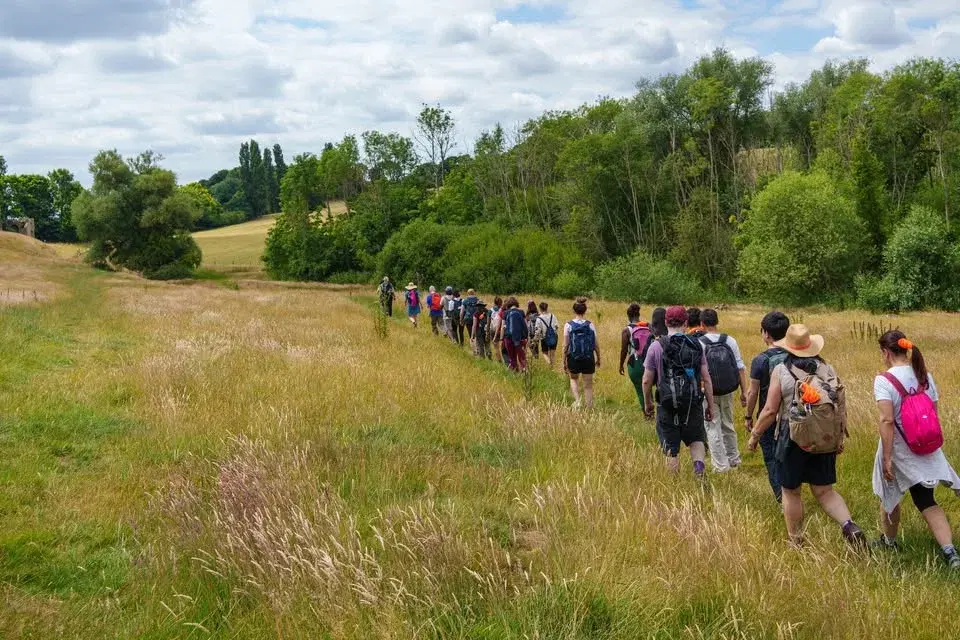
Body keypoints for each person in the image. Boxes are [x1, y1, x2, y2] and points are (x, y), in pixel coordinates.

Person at [748, 324, 865, 547]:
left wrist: (755, 435)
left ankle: (796, 540)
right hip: (824, 438)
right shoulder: (826, 368)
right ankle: (850, 525)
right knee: (825, 491)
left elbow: (770, 411)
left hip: (792, 438)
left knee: (791, 492)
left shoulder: (781, 371)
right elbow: (839, 405)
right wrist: (838, 437)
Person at [872, 331, 960, 567]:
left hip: (899, 450)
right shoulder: (925, 376)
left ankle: (889, 542)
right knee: (926, 500)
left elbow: (887, 421)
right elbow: (933, 414)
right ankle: (950, 553)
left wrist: (887, 458)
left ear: (886, 352)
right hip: (926, 447)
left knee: (890, 496)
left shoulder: (884, 380)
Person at [642, 306, 714, 478]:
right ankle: (699, 470)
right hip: (692, 402)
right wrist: (710, 405)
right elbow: (706, 378)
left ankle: (675, 483)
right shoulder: (697, 345)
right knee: (696, 439)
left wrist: (648, 403)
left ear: (666, 322)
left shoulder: (656, 346)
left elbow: (646, 380)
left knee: (671, 449)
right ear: (686, 322)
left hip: (666, 403)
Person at [744, 311, 790, 503]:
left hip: (769, 415)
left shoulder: (760, 360)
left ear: (766, 333)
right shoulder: (796, 355)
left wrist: (748, 416)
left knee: (772, 458)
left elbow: (753, 392)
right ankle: (792, 492)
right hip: (793, 415)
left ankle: (782, 499)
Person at [699, 309, 748, 473]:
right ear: (717, 322)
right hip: (728, 389)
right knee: (728, 424)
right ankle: (734, 459)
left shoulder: (700, 343)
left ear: (702, 324)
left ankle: (720, 466)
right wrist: (743, 391)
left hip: (708, 391)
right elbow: (740, 368)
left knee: (712, 426)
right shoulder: (730, 341)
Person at [563, 297, 600, 409]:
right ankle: (589, 406)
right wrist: (599, 358)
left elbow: (565, 346)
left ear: (574, 311)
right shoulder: (590, 325)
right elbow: (596, 345)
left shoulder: (568, 325)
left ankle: (578, 401)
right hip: (588, 358)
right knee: (588, 385)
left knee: (573, 379)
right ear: (585, 311)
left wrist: (563, 361)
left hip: (573, 358)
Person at [619, 303, 653, 411]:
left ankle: (647, 413)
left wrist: (621, 365)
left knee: (640, 388)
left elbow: (624, 350)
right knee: (649, 387)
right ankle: (652, 408)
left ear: (628, 316)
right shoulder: (648, 326)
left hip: (636, 362)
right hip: (650, 361)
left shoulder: (627, 330)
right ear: (639, 314)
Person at [502, 297, 528, 372]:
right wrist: (526, 337)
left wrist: (501, 338)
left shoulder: (506, 312)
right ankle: (524, 371)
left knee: (512, 357)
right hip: (520, 338)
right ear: (516, 303)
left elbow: (503, 327)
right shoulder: (521, 312)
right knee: (522, 357)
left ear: (508, 304)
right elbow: (525, 325)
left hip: (508, 338)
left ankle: (515, 373)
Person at [538, 302, 560, 366]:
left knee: (544, 353)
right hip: (554, 336)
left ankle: (549, 363)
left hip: (544, 337)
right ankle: (552, 367)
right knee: (552, 354)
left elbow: (538, 330)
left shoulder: (539, 318)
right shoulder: (553, 316)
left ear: (540, 308)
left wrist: (536, 339)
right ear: (547, 308)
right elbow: (557, 326)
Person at [489, 297, 504, 363]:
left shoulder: (490, 310)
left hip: (493, 329)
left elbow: (488, 321)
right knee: (503, 346)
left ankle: (499, 360)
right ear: (501, 303)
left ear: (494, 302)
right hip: (501, 330)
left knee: (496, 347)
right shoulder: (502, 310)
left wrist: (487, 331)